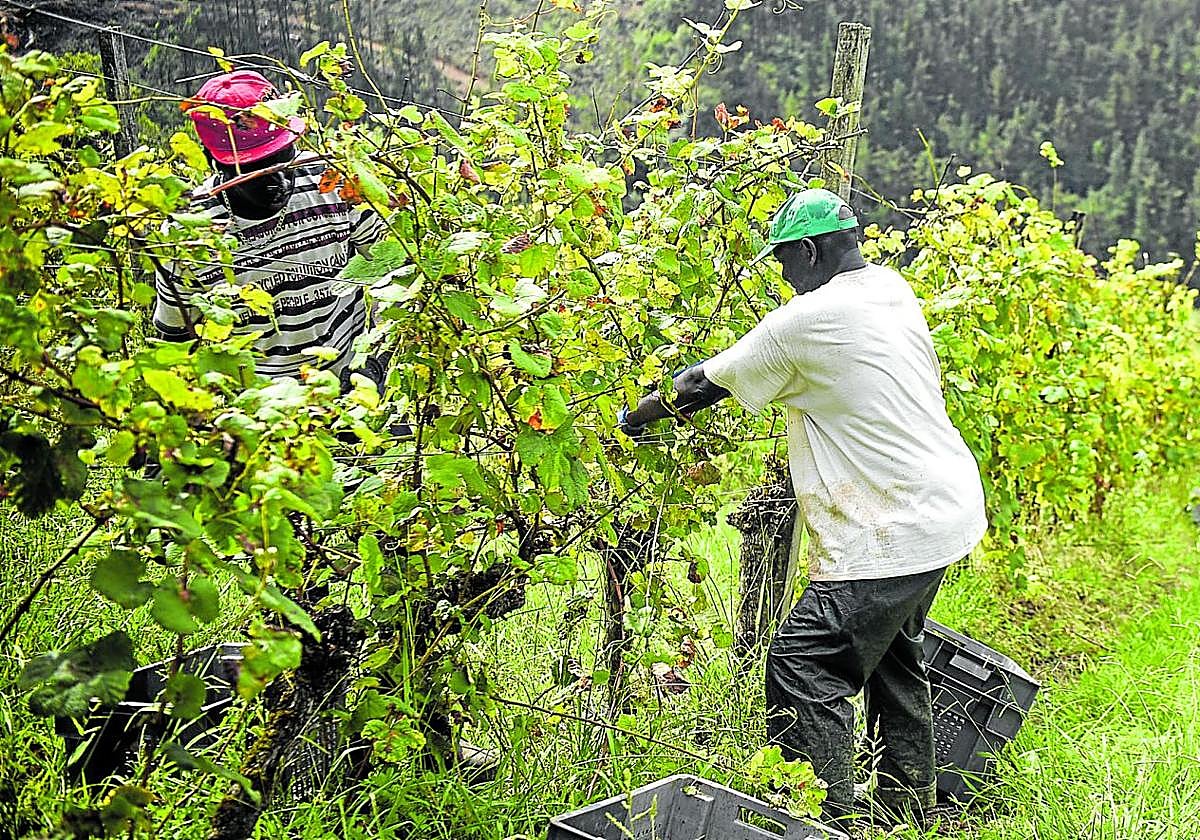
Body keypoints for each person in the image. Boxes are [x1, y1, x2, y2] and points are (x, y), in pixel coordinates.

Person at [618, 188, 987, 825]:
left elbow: (697, 384)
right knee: (892, 655)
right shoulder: (888, 289)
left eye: (785, 261)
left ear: (811, 250)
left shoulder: (809, 319)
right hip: (945, 509)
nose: (784, 277)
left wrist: (628, 421)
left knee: (803, 664)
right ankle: (911, 808)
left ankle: (817, 821)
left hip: (892, 528)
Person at [153, 70, 386, 391]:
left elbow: (396, 275)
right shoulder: (186, 234)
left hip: (351, 379)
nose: (279, 180)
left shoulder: (332, 182)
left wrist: (372, 367)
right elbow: (176, 338)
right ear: (214, 162)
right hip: (264, 409)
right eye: (257, 169)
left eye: (283, 159)